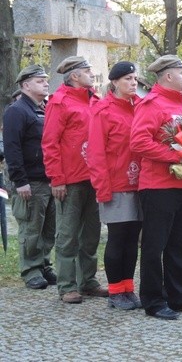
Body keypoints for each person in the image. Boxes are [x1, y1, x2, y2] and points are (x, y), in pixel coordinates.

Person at [130, 55, 182, 320]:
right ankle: (153, 300)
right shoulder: (151, 104)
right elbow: (139, 143)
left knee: (181, 243)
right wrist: (177, 156)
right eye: (181, 72)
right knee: (155, 246)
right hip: (158, 186)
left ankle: (178, 296)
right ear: (167, 76)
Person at [42, 56, 107, 304]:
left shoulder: (95, 99)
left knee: (91, 233)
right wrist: (56, 178)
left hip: (95, 177)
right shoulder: (59, 102)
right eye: (87, 71)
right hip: (69, 179)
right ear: (74, 76)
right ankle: (67, 285)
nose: (92, 74)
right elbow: (50, 143)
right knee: (68, 234)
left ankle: (88, 281)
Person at [87, 61, 143, 310]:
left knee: (133, 239)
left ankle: (128, 288)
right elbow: (96, 154)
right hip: (116, 184)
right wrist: (102, 188)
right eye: (128, 79)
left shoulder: (139, 107)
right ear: (115, 82)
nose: (133, 83)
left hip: (140, 184)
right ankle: (114, 292)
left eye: (135, 79)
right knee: (118, 238)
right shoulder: (103, 110)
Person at [3, 65, 56, 289]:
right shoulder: (17, 110)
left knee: (49, 227)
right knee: (31, 227)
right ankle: (31, 269)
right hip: (30, 180)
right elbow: (12, 148)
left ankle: (44, 264)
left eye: (45, 80)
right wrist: (20, 180)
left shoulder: (43, 108)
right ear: (25, 85)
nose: (45, 83)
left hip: (48, 178)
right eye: (39, 81)